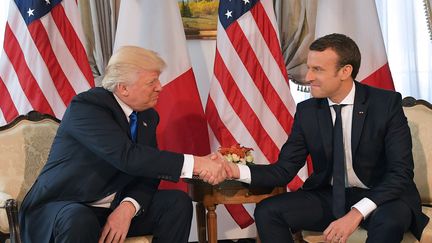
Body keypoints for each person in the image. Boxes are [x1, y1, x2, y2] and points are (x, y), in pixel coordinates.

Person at [224, 33, 429, 243]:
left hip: (383, 197)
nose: (308, 77)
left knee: (389, 222)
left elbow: (400, 173)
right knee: (268, 211)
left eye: (318, 70)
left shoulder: (385, 104)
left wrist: (356, 213)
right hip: (332, 196)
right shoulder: (307, 111)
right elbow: (283, 170)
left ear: (345, 71)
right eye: (309, 67)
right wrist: (234, 170)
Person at [19, 46, 227, 243]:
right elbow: (127, 157)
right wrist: (196, 163)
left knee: (176, 204)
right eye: (152, 82)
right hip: (64, 205)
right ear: (123, 88)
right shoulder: (87, 107)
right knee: (80, 218)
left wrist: (128, 207)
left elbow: (148, 171)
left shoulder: (147, 116)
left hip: (110, 207)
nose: (160, 87)